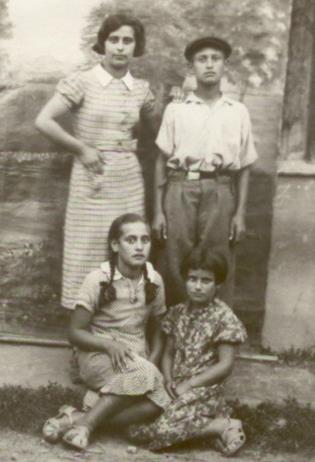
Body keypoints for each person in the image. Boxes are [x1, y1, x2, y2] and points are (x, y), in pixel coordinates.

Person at [35, 13, 157, 310]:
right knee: (87, 251)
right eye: (113, 40)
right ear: (102, 44)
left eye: (127, 41)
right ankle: (84, 334)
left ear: (135, 46)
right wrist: (81, 149)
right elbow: (44, 121)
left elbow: (158, 133)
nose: (119, 47)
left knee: (130, 246)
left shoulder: (140, 89)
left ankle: (123, 325)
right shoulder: (83, 81)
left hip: (128, 179)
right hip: (92, 179)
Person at [42, 213, 171, 450]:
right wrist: (110, 345)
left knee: (160, 403)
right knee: (144, 377)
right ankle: (85, 427)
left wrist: (152, 363)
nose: (139, 246)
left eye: (145, 240)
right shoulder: (98, 279)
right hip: (98, 355)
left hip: (138, 360)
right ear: (115, 245)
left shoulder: (154, 280)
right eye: (130, 240)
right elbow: (75, 332)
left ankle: (75, 418)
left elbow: (160, 330)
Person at [153, 36, 258, 305]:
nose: (209, 65)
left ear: (225, 65)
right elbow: (160, 161)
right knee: (176, 258)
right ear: (192, 67)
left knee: (218, 259)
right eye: (202, 59)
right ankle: (174, 333)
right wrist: (158, 211)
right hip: (180, 190)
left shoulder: (238, 111)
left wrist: (240, 213)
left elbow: (245, 165)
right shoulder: (176, 110)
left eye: (216, 59)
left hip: (221, 190)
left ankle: (217, 335)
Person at [129, 249, 247, 456]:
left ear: (217, 284)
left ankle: (222, 426)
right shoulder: (177, 313)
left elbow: (225, 365)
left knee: (162, 431)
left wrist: (190, 384)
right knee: (134, 430)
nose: (198, 286)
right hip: (175, 385)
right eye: (192, 279)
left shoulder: (223, 317)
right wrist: (168, 379)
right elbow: (169, 353)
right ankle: (211, 431)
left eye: (206, 280)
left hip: (203, 388)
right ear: (185, 280)